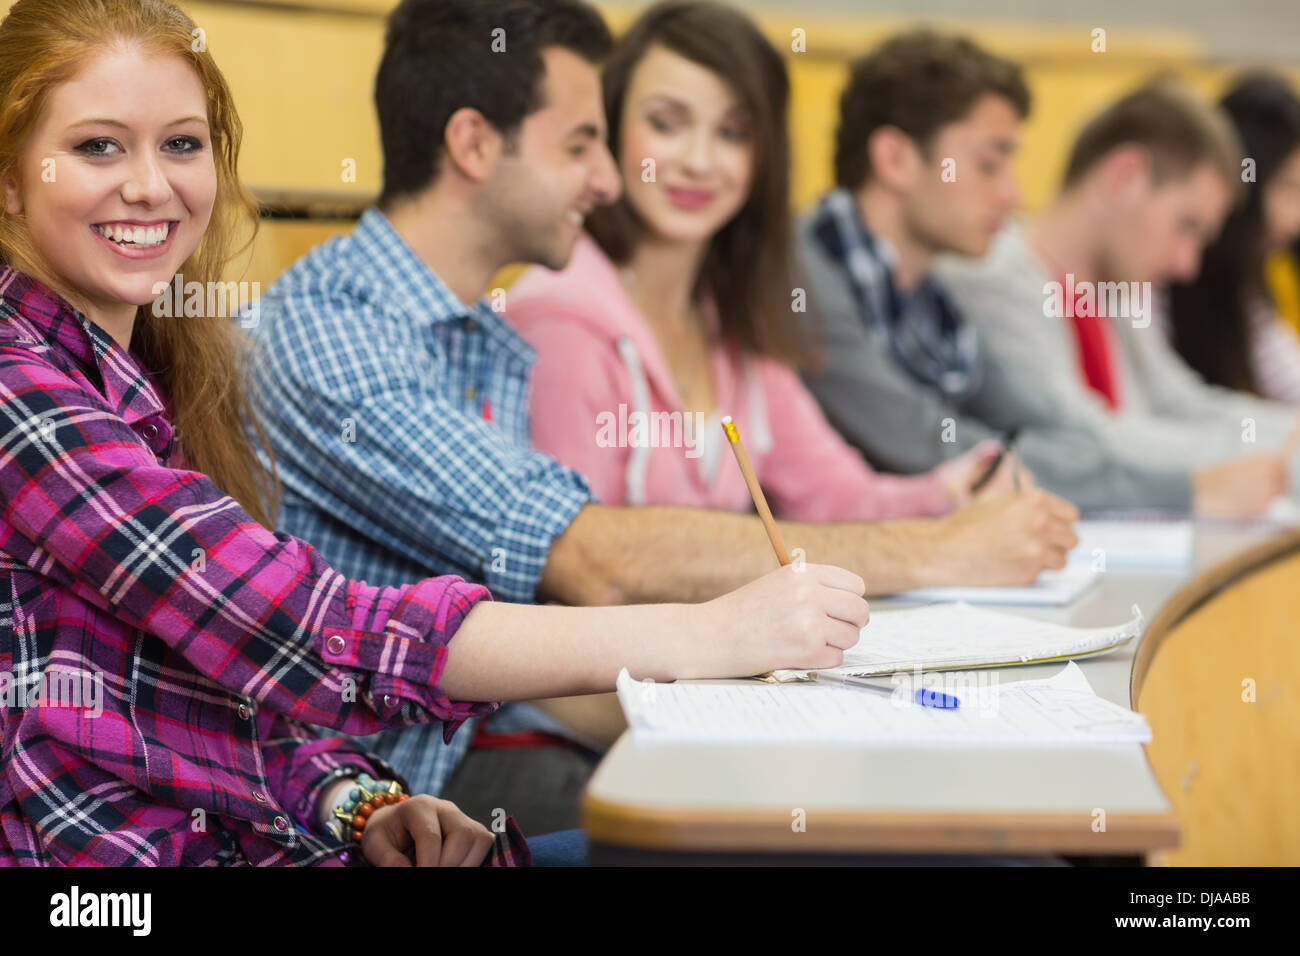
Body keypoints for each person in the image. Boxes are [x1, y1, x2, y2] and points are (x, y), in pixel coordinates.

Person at [0, 0, 868, 867]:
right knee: (786, 842)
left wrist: (360, 803)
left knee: (810, 833)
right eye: (97, 146)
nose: (151, 184)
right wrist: (713, 635)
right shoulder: (19, 379)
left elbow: (223, 691)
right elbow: (303, 626)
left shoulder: (163, 370)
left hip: (316, 822)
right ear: (9, 177)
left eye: (182, 144)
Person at [244, 0, 1078, 828]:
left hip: (491, 750)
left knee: (929, 803)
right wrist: (935, 553)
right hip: (411, 787)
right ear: (471, 144)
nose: (609, 180)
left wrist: (940, 506)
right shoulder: (346, 330)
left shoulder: (482, 338)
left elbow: (809, 497)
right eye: (584, 144)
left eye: (734, 132)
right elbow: (594, 563)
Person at [509, 1, 1057, 527]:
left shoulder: (733, 318)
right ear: (607, 131)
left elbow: (833, 495)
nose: (699, 162)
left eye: (732, 133)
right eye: (666, 123)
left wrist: (948, 493)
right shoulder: (559, 316)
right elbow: (578, 561)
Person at [797, 32, 1293, 517]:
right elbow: (929, 444)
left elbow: (1049, 429)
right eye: (989, 166)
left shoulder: (931, 299)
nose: (1012, 195)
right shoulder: (807, 276)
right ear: (896, 159)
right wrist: (1182, 490)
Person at [937, 76, 1300, 515]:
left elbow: (1182, 402)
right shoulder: (991, 278)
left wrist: (1288, 437)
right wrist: (1276, 453)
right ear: (1125, 177)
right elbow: (1090, 436)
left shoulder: (1110, 291)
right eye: (1186, 225)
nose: (1187, 265)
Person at [1167, 74, 1300, 404]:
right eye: (1289, 187)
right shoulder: (1165, 277)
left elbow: (1286, 373)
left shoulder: (1247, 280)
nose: (1296, 217)